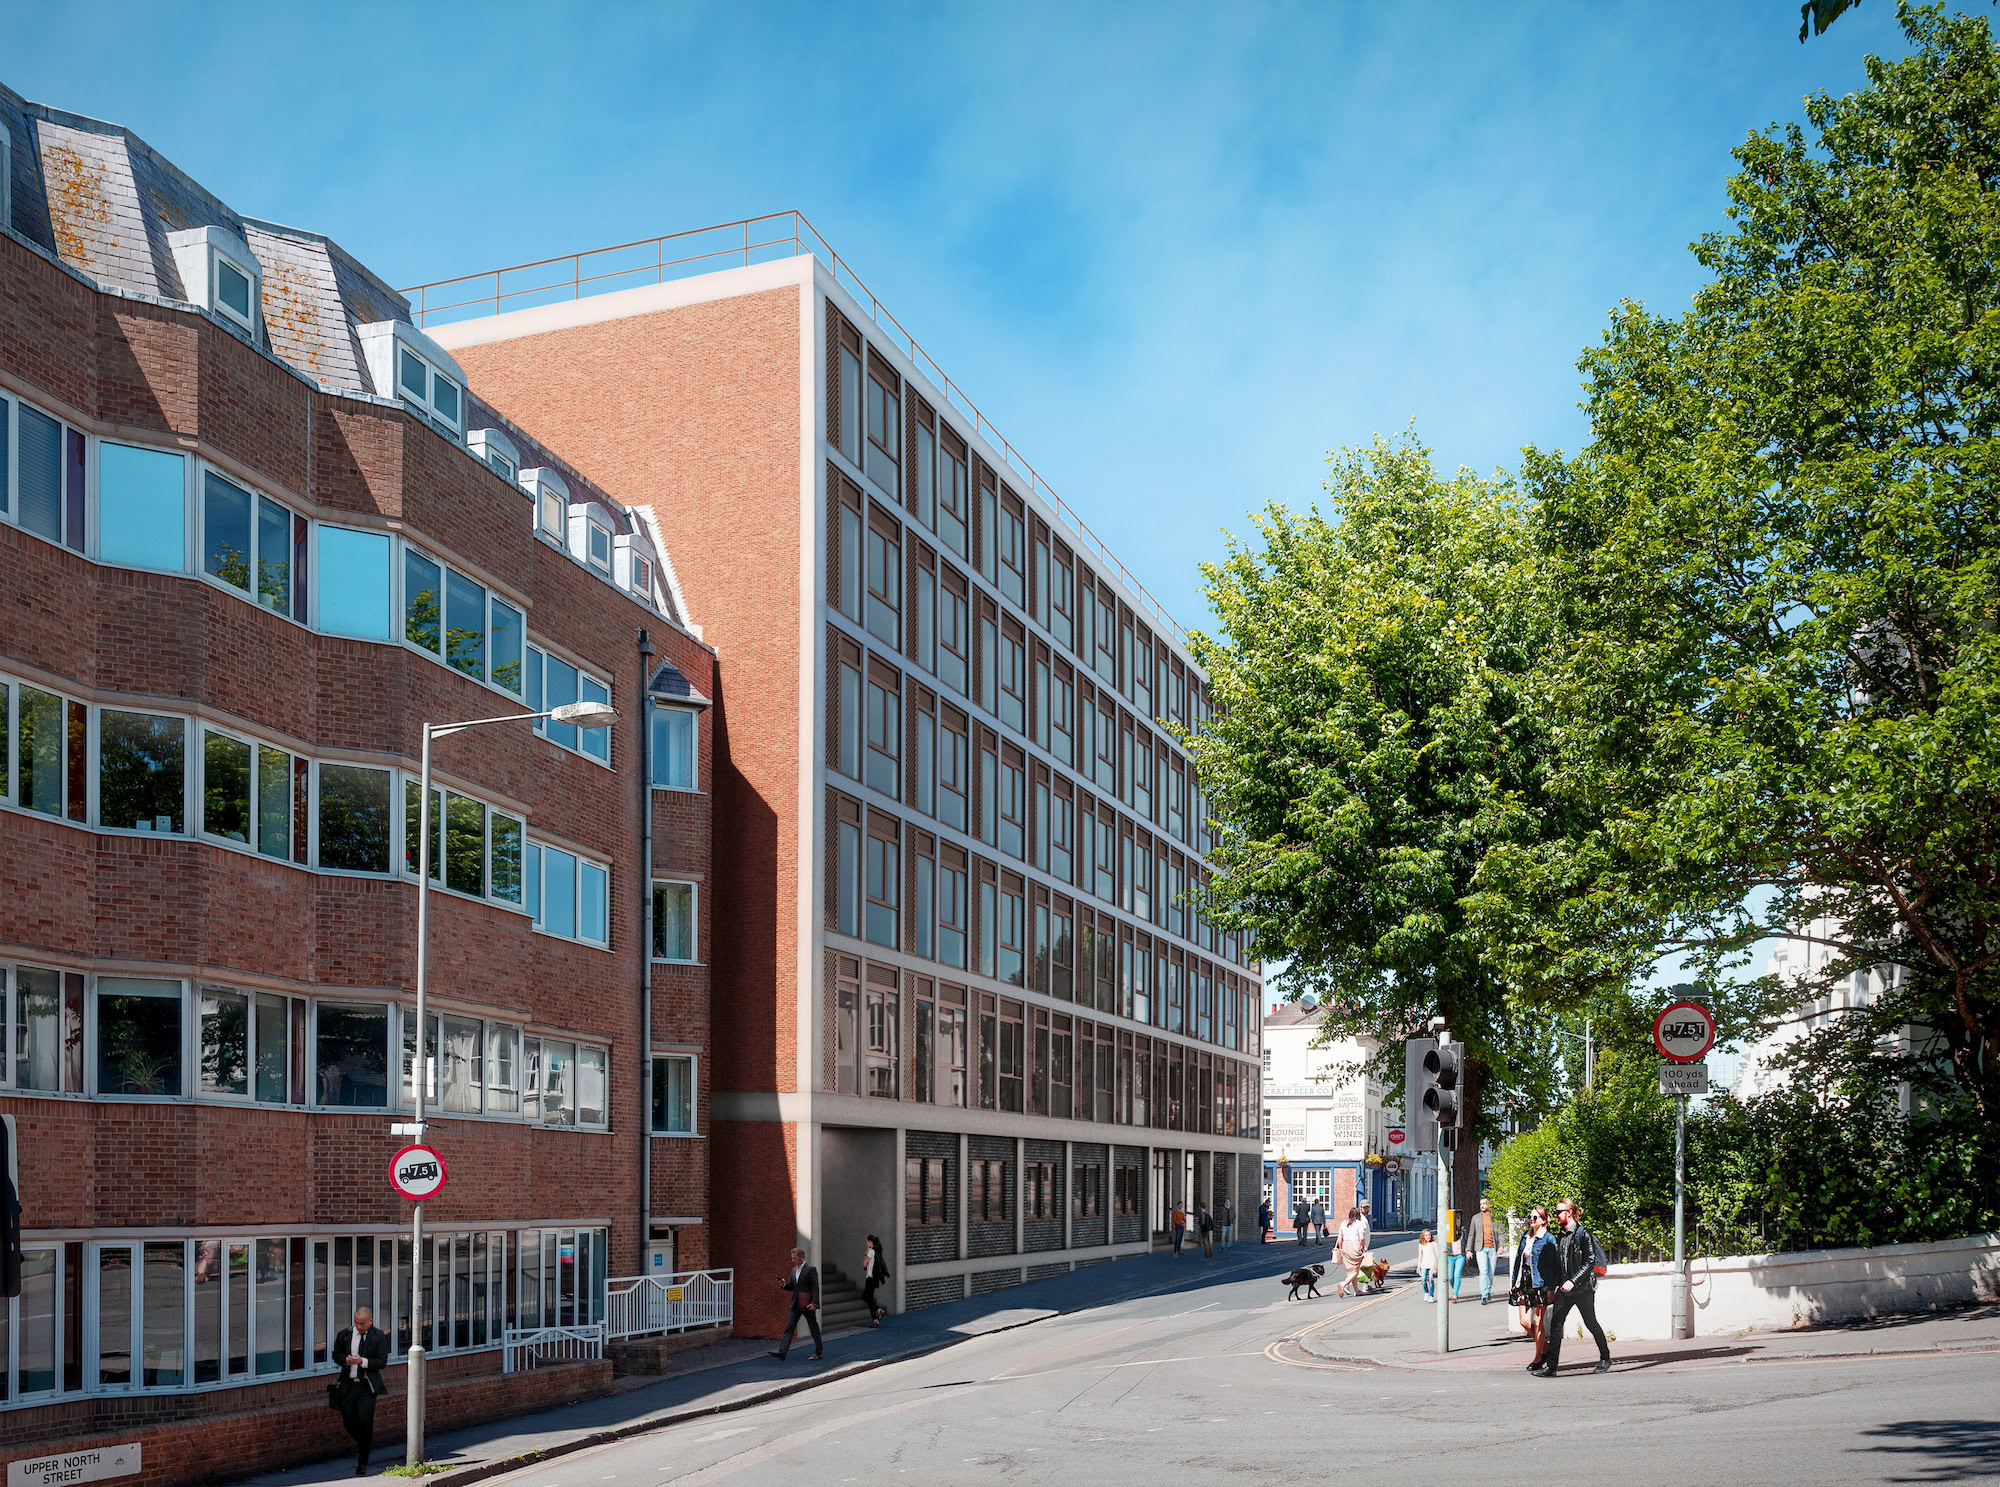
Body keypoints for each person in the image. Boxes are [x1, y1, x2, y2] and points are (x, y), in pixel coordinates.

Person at [1534, 1198, 1612, 1377]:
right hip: (1563, 1290)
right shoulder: (1562, 1235)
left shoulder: (1583, 1234)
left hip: (1582, 1289)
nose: (1555, 1215)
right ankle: (1552, 1367)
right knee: (1556, 1324)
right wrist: (1553, 1288)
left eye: (1558, 1212)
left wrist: (1574, 1281)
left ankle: (1605, 1358)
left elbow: (1590, 1262)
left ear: (1568, 1213)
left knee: (1591, 1323)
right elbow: (1558, 1265)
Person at [329, 1306, 388, 1476]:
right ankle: (363, 1442)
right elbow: (336, 1354)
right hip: (348, 1384)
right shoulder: (345, 1335)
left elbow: (382, 1362)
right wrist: (346, 1360)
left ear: (371, 1321)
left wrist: (362, 1361)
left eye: (362, 1323)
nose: (359, 1326)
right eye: (356, 1323)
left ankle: (362, 1462)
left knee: (364, 1420)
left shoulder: (378, 1336)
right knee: (348, 1419)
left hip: (367, 1386)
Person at [1511, 1207, 1556, 1370]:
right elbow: (1518, 1260)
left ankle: (1538, 1359)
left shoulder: (1548, 1239)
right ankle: (1546, 1349)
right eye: (1530, 1217)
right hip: (1525, 1282)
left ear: (1543, 1220)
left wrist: (1551, 1287)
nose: (1532, 1219)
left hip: (1540, 1283)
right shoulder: (1526, 1237)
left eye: (1535, 1217)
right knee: (1524, 1321)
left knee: (1538, 1322)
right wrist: (1513, 1282)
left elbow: (1552, 1266)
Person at [768, 1247, 823, 1361]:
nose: (792, 1261)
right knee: (789, 1328)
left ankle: (819, 1352)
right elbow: (793, 1287)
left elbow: (815, 1287)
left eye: (794, 1258)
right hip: (795, 1305)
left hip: (807, 1304)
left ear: (801, 1257)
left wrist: (814, 1303)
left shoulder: (810, 1269)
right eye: (792, 1259)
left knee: (814, 1328)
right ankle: (782, 1352)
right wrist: (784, 1285)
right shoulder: (793, 1271)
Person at [1468, 1196, 1501, 1304]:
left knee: (1491, 1272)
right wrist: (1469, 1249)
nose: (1482, 1205)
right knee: (1483, 1272)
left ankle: (1488, 1290)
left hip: (1492, 1248)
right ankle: (1484, 1295)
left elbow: (1500, 1232)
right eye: (1481, 1203)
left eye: (1484, 1203)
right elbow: (1471, 1234)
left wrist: (1502, 1245)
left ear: (1489, 1205)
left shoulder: (1495, 1217)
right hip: (1480, 1248)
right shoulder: (1475, 1218)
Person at [1335, 1206, 1369, 1296]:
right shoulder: (1359, 1223)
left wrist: (1341, 1248)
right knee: (1355, 1270)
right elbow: (1361, 1238)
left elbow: (1340, 1238)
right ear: (1358, 1215)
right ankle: (1343, 1284)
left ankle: (1356, 1290)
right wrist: (1363, 1247)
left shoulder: (1343, 1223)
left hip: (1345, 1246)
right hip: (1355, 1246)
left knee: (1350, 1269)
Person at [860, 1234, 891, 1327]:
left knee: (867, 1298)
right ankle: (878, 1311)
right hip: (873, 1278)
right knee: (867, 1297)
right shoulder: (875, 1251)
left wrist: (866, 1254)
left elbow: (864, 1265)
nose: (866, 1243)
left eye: (866, 1241)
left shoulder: (870, 1251)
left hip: (870, 1278)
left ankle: (875, 1319)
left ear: (870, 1242)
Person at [1446, 1214, 1466, 1299]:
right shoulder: (1447, 1230)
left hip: (1460, 1255)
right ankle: (1454, 1288)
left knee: (1457, 1274)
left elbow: (1466, 1241)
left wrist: (1468, 1251)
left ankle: (1455, 1294)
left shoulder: (1463, 1230)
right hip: (1450, 1255)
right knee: (1450, 1276)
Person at [1417, 1228, 1438, 1298]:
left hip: (1432, 1265)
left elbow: (1437, 1255)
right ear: (1423, 1236)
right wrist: (1418, 1267)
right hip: (1424, 1265)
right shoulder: (1421, 1245)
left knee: (1431, 1280)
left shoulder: (1434, 1244)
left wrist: (1436, 1266)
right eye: (1426, 1235)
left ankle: (1431, 1295)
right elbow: (1420, 1256)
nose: (1428, 1237)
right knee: (1423, 1280)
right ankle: (1426, 1292)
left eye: (1429, 1235)